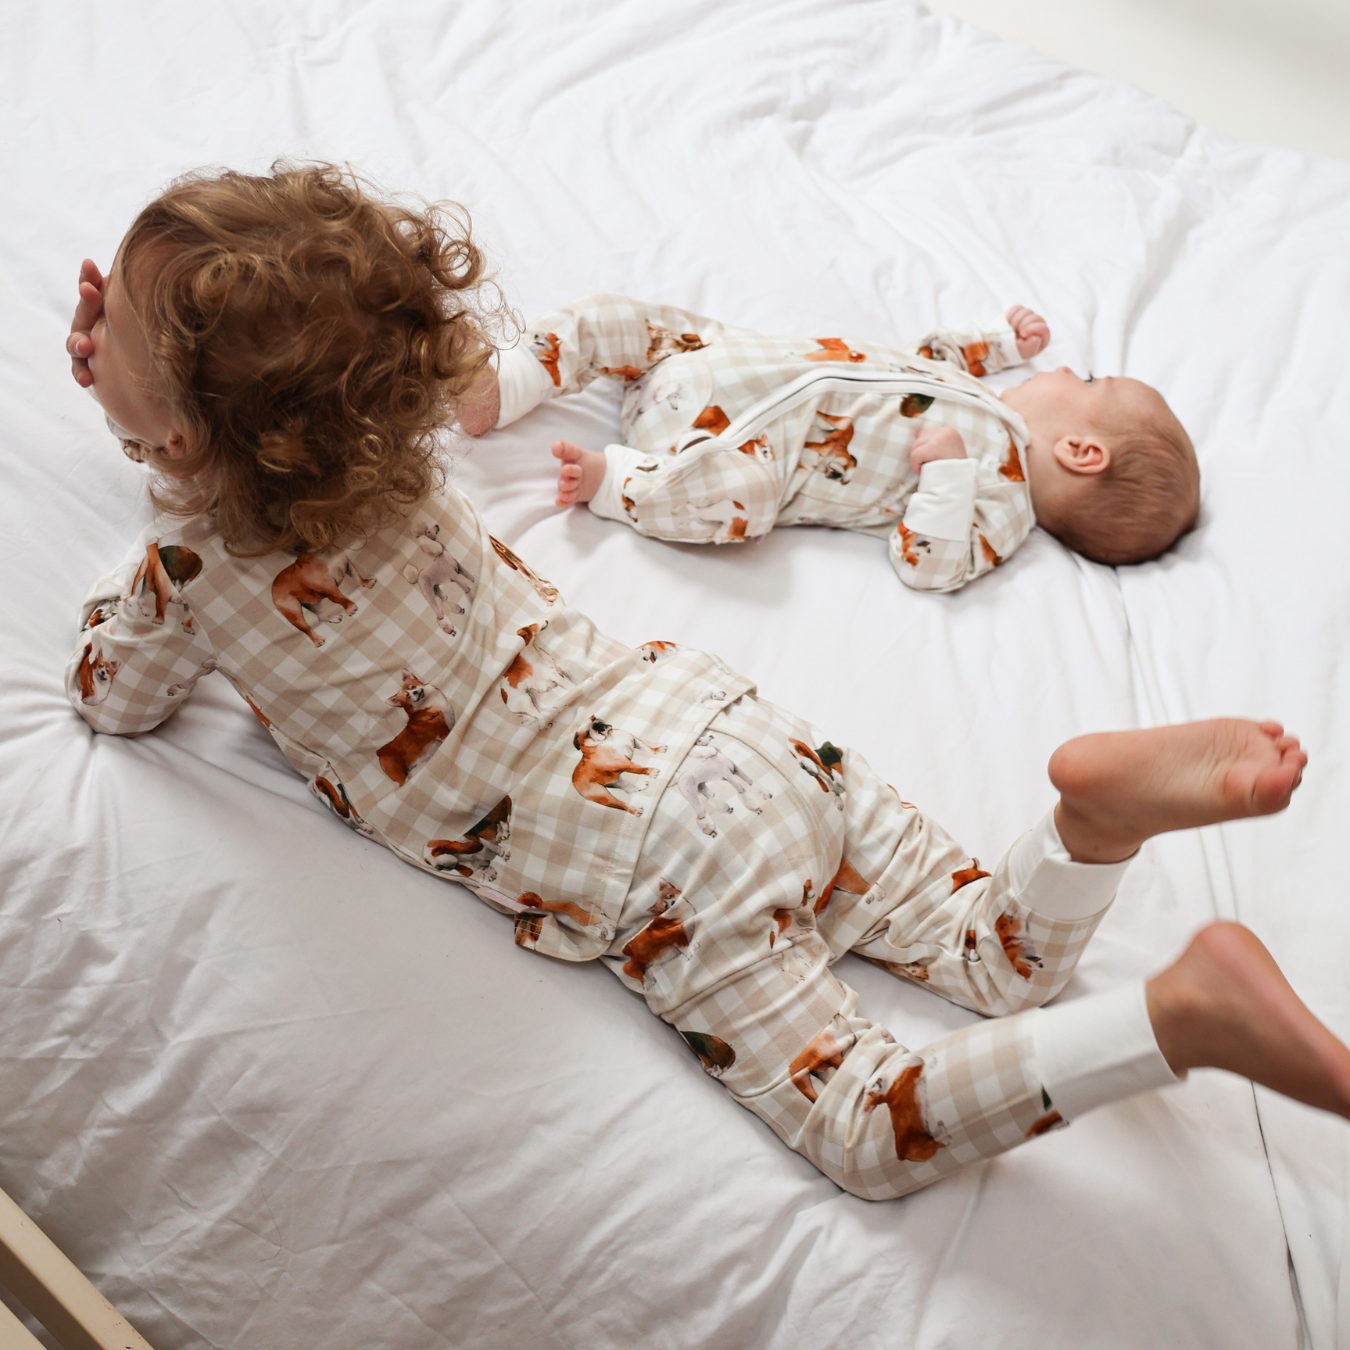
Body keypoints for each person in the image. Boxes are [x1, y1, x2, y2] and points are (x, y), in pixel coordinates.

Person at [65, 163, 1347, 1201]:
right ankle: (1091, 826)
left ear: (179, 433)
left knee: (867, 1127)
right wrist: (154, 393)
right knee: (997, 956)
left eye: (105, 319)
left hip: (655, 860)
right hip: (722, 725)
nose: (86, 318)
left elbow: (111, 694)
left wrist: (154, 466)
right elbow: (257, 432)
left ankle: (1173, 1021)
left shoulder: (190, 570)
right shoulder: (397, 467)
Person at [476, 294, 1198, 590]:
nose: (1068, 370)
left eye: (1089, 381)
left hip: (743, 450)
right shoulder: (980, 394)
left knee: (739, 504)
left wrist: (947, 476)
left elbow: (930, 566)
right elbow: (931, 354)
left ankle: (617, 482)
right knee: (621, 317)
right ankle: (511, 382)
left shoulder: (1004, 503)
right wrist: (1001, 342)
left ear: (1081, 452)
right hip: (714, 357)